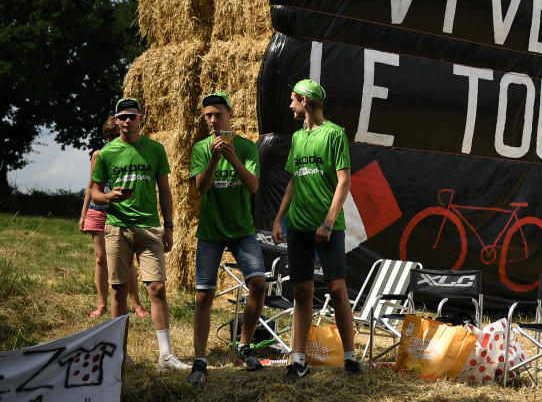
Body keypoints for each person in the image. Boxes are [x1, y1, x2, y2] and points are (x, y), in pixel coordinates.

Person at [272, 79, 361, 383]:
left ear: (306, 102)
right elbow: (294, 181)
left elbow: (344, 181)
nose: (290, 105)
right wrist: (278, 219)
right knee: (301, 291)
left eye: (293, 100)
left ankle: (350, 358)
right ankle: (298, 361)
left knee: (337, 289)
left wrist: (328, 221)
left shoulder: (335, 134)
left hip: (327, 227)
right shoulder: (297, 138)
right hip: (298, 226)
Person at [91, 97, 189, 371]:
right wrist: (110, 196)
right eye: (122, 116)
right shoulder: (108, 153)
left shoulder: (155, 150)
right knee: (118, 290)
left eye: (132, 116)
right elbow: (95, 192)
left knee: (156, 287)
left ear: (140, 119)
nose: (126, 121)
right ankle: (118, 353)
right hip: (117, 226)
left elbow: (165, 190)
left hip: (149, 226)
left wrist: (169, 226)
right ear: (117, 120)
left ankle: (165, 355)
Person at [188, 92, 266, 385]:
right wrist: (212, 158)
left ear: (229, 116)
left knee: (259, 284)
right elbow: (202, 188)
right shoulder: (200, 148)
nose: (211, 120)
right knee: (203, 295)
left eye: (217, 114)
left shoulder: (246, 147)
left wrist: (232, 157)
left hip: (242, 229)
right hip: (211, 231)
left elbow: (254, 185)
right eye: (207, 115)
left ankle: (243, 346)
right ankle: (200, 359)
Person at [79, 116, 150, 319]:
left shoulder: (131, 153)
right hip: (97, 209)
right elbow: (91, 187)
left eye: (114, 135)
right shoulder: (99, 155)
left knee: (126, 261)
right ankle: (102, 304)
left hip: (120, 211)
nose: (111, 139)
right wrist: (84, 214)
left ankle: (136, 304)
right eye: (108, 136)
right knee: (101, 258)